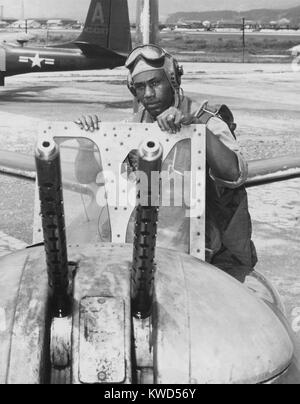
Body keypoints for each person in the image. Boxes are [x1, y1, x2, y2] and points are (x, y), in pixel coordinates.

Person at [75, 44, 257, 282]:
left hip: (198, 251)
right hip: (141, 245)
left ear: (172, 80)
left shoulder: (206, 120)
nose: (148, 94)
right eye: (140, 87)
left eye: (155, 83)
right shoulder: (132, 127)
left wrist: (195, 129)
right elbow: (84, 176)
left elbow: (234, 175)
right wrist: (87, 143)